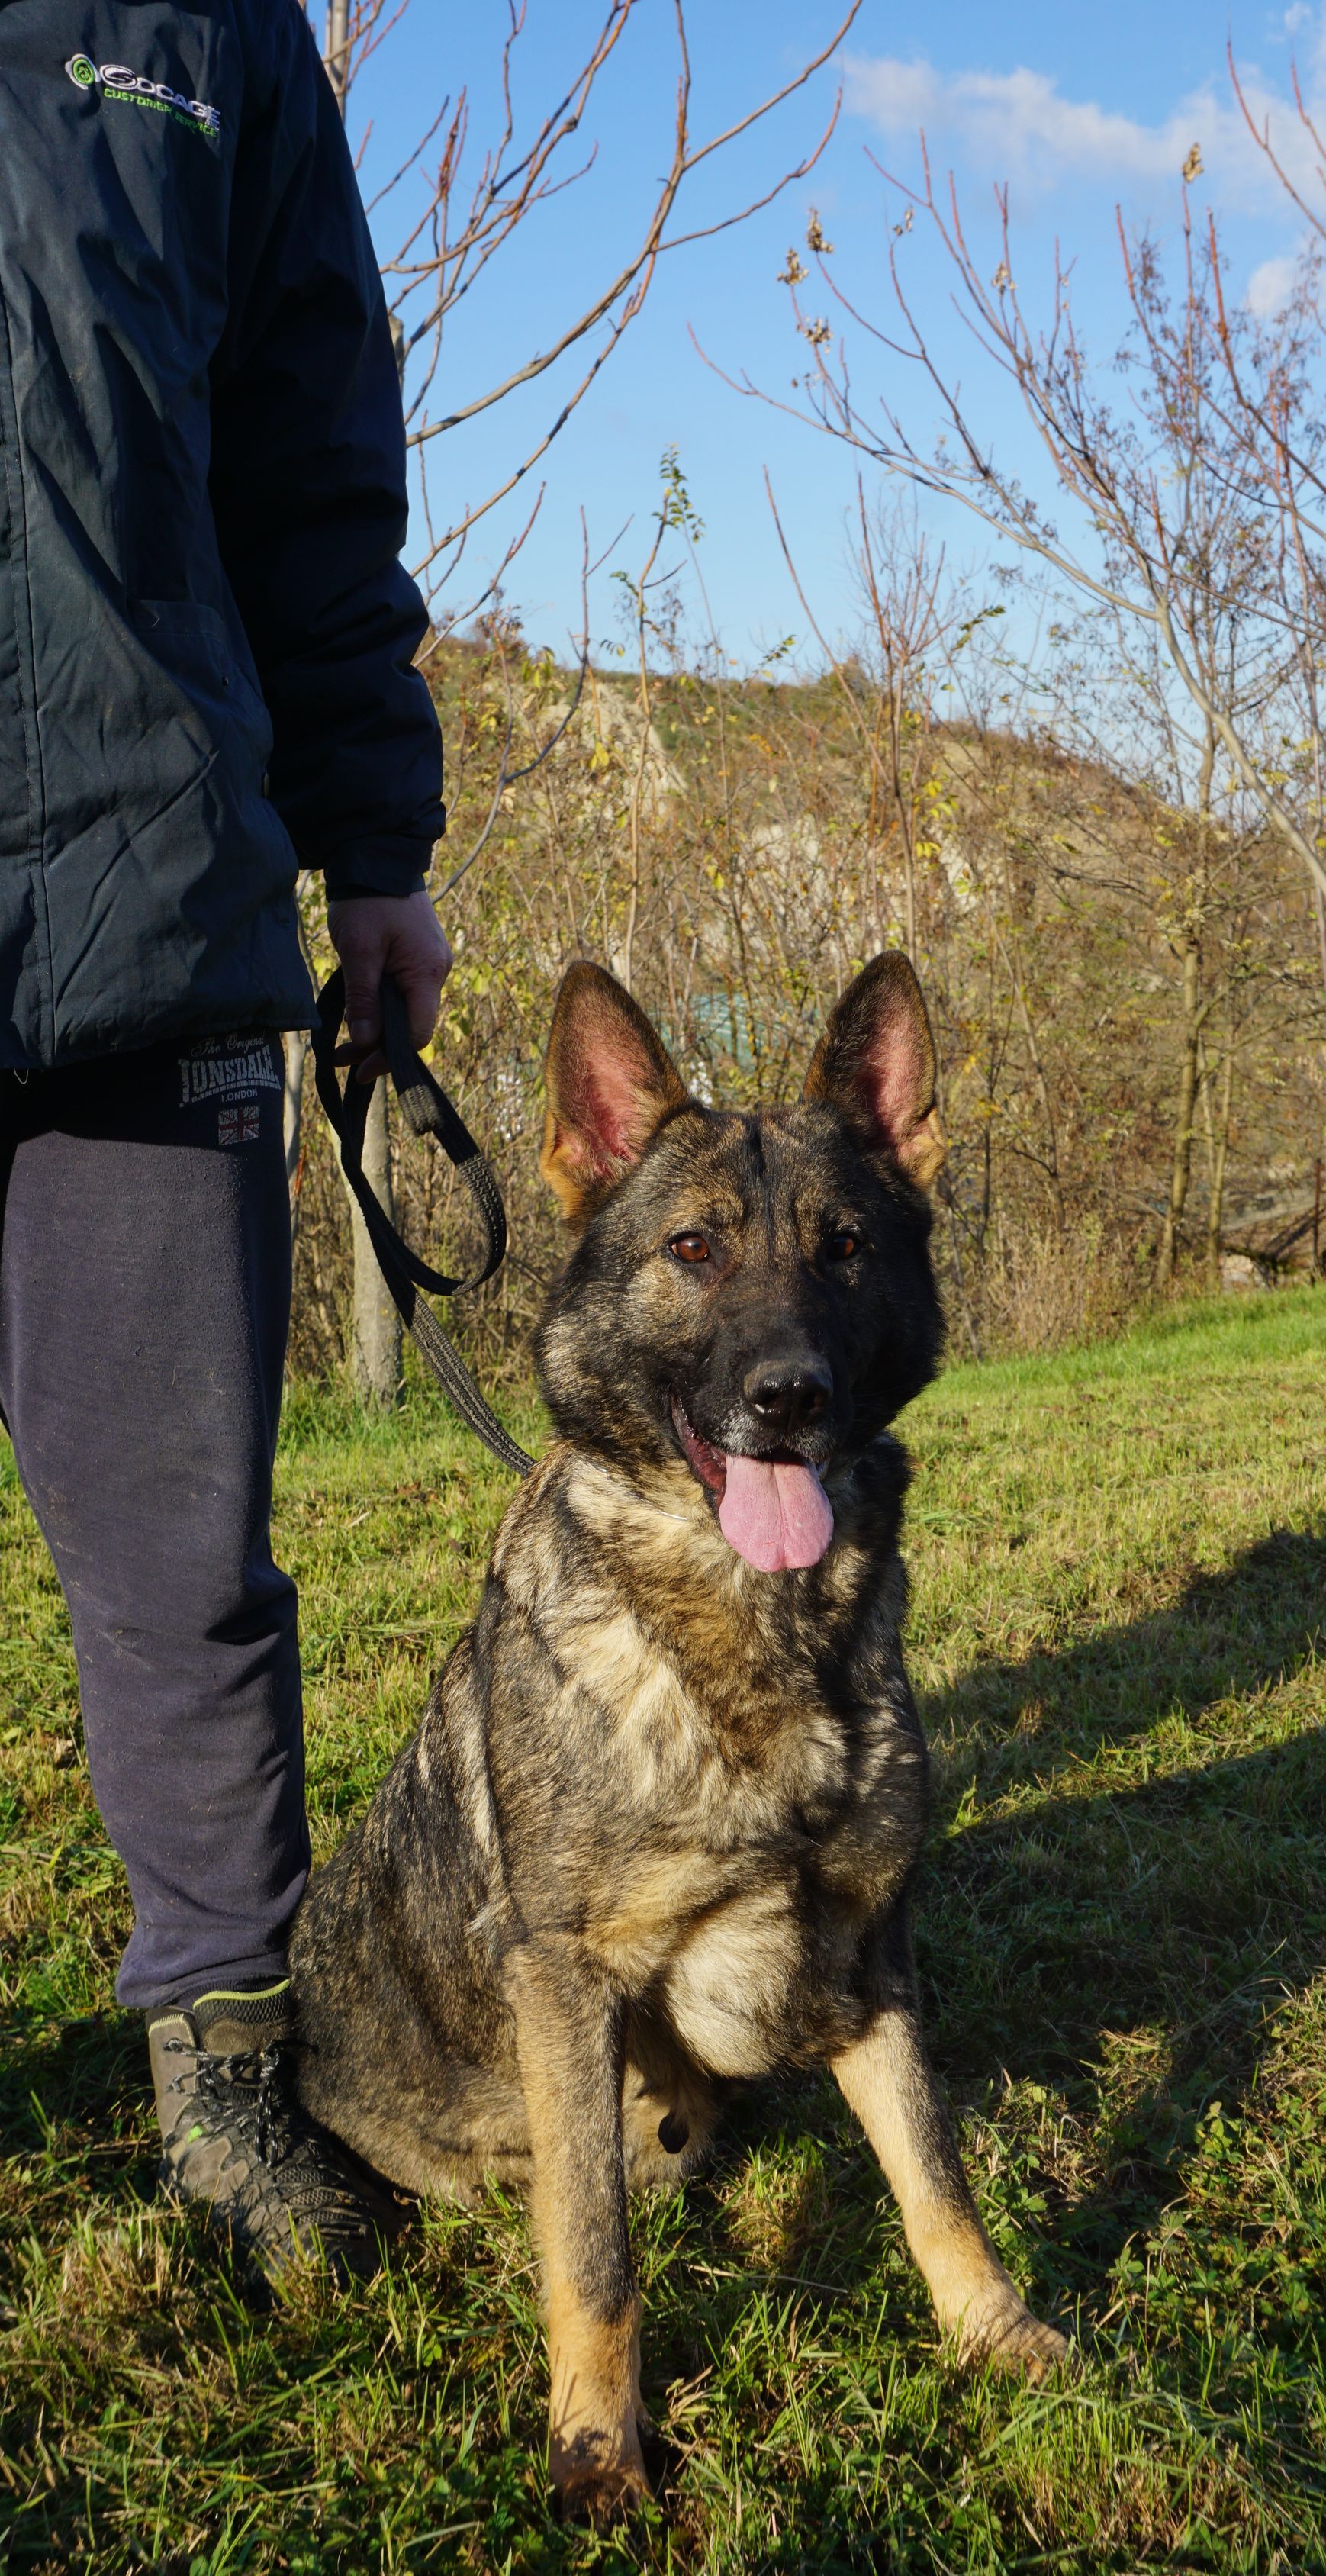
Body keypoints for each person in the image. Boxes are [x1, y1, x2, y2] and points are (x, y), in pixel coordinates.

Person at [0, 1, 452, 2276]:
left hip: (142, 891)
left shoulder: (205, 26)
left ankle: (231, 2062)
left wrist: (374, 840)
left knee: (183, 1562)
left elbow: (308, 443)